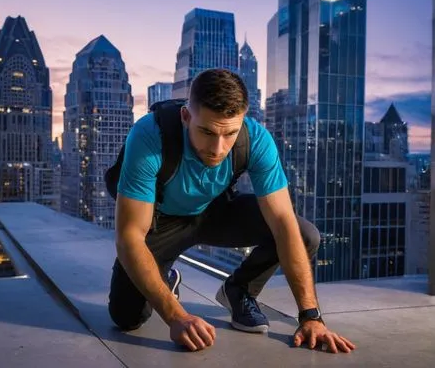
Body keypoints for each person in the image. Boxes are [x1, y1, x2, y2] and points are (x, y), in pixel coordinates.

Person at [108, 68, 356, 354]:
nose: (218, 148)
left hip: (215, 212)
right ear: (186, 117)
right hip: (162, 221)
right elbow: (129, 237)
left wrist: (311, 316)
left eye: (230, 134)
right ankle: (167, 277)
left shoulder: (256, 140)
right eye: (207, 132)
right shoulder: (150, 135)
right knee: (126, 318)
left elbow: (283, 224)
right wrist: (177, 316)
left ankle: (238, 290)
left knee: (304, 234)